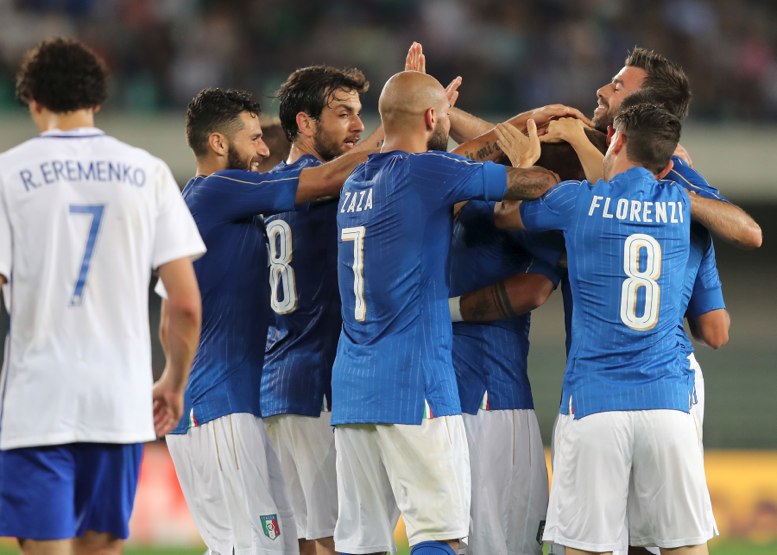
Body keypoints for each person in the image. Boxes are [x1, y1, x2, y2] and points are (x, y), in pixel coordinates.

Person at [331, 70, 559, 555]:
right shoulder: (427, 173)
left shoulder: (355, 181)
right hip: (415, 382)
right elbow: (537, 182)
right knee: (441, 535)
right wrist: (527, 160)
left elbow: (451, 166)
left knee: (361, 542)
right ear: (433, 117)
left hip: (352, 388)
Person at [0, 37, 204, 555]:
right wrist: (173, 381)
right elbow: (185, 303)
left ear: (33, 102)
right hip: (118, 401)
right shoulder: (148, 172)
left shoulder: (7, 174)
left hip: (36, 400)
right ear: (97, 100)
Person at [161, 87, 375, 555]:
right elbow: (324, 179)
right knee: (255, 548)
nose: (263, 150)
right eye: (254, 138)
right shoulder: (217, 190)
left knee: (274, 545)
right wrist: (395, 135)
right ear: (218, 143)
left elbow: (169, 312)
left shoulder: (204, 207)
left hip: (226, 406)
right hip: (217, 408)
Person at [506, 103, 717, 555]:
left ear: (616, 141)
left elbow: (507, 216)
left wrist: (524, 164)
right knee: (686, 547)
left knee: (588, 547)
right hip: (668, 404)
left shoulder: (578, 200)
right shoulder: (681, 205)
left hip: (595, 402)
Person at [261, 64, 379, 555]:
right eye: (343, 113)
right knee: (334, 537)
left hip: (278, 381)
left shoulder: (267, 187)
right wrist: (406, 121)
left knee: (307, 538)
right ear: (306, 123)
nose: (358, 125)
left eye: (359, 113)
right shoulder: (330, 186)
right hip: (317, 381)